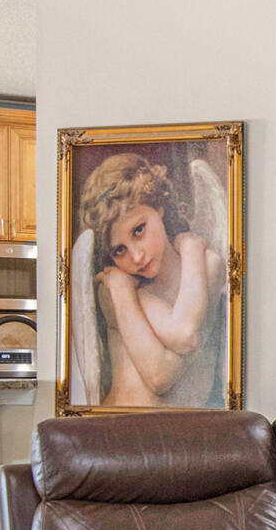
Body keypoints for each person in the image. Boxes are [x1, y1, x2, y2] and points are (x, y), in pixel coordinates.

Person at [71, 149, 228, 406]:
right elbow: (160, 376)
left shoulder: (208, 264)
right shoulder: (116, 286)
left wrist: (189, 251)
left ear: (158, 205)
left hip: (180, 434)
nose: (136, 256)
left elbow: (186, 337)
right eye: (119, 250)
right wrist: (189, 248)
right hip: (114, 429)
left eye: (138, 230)